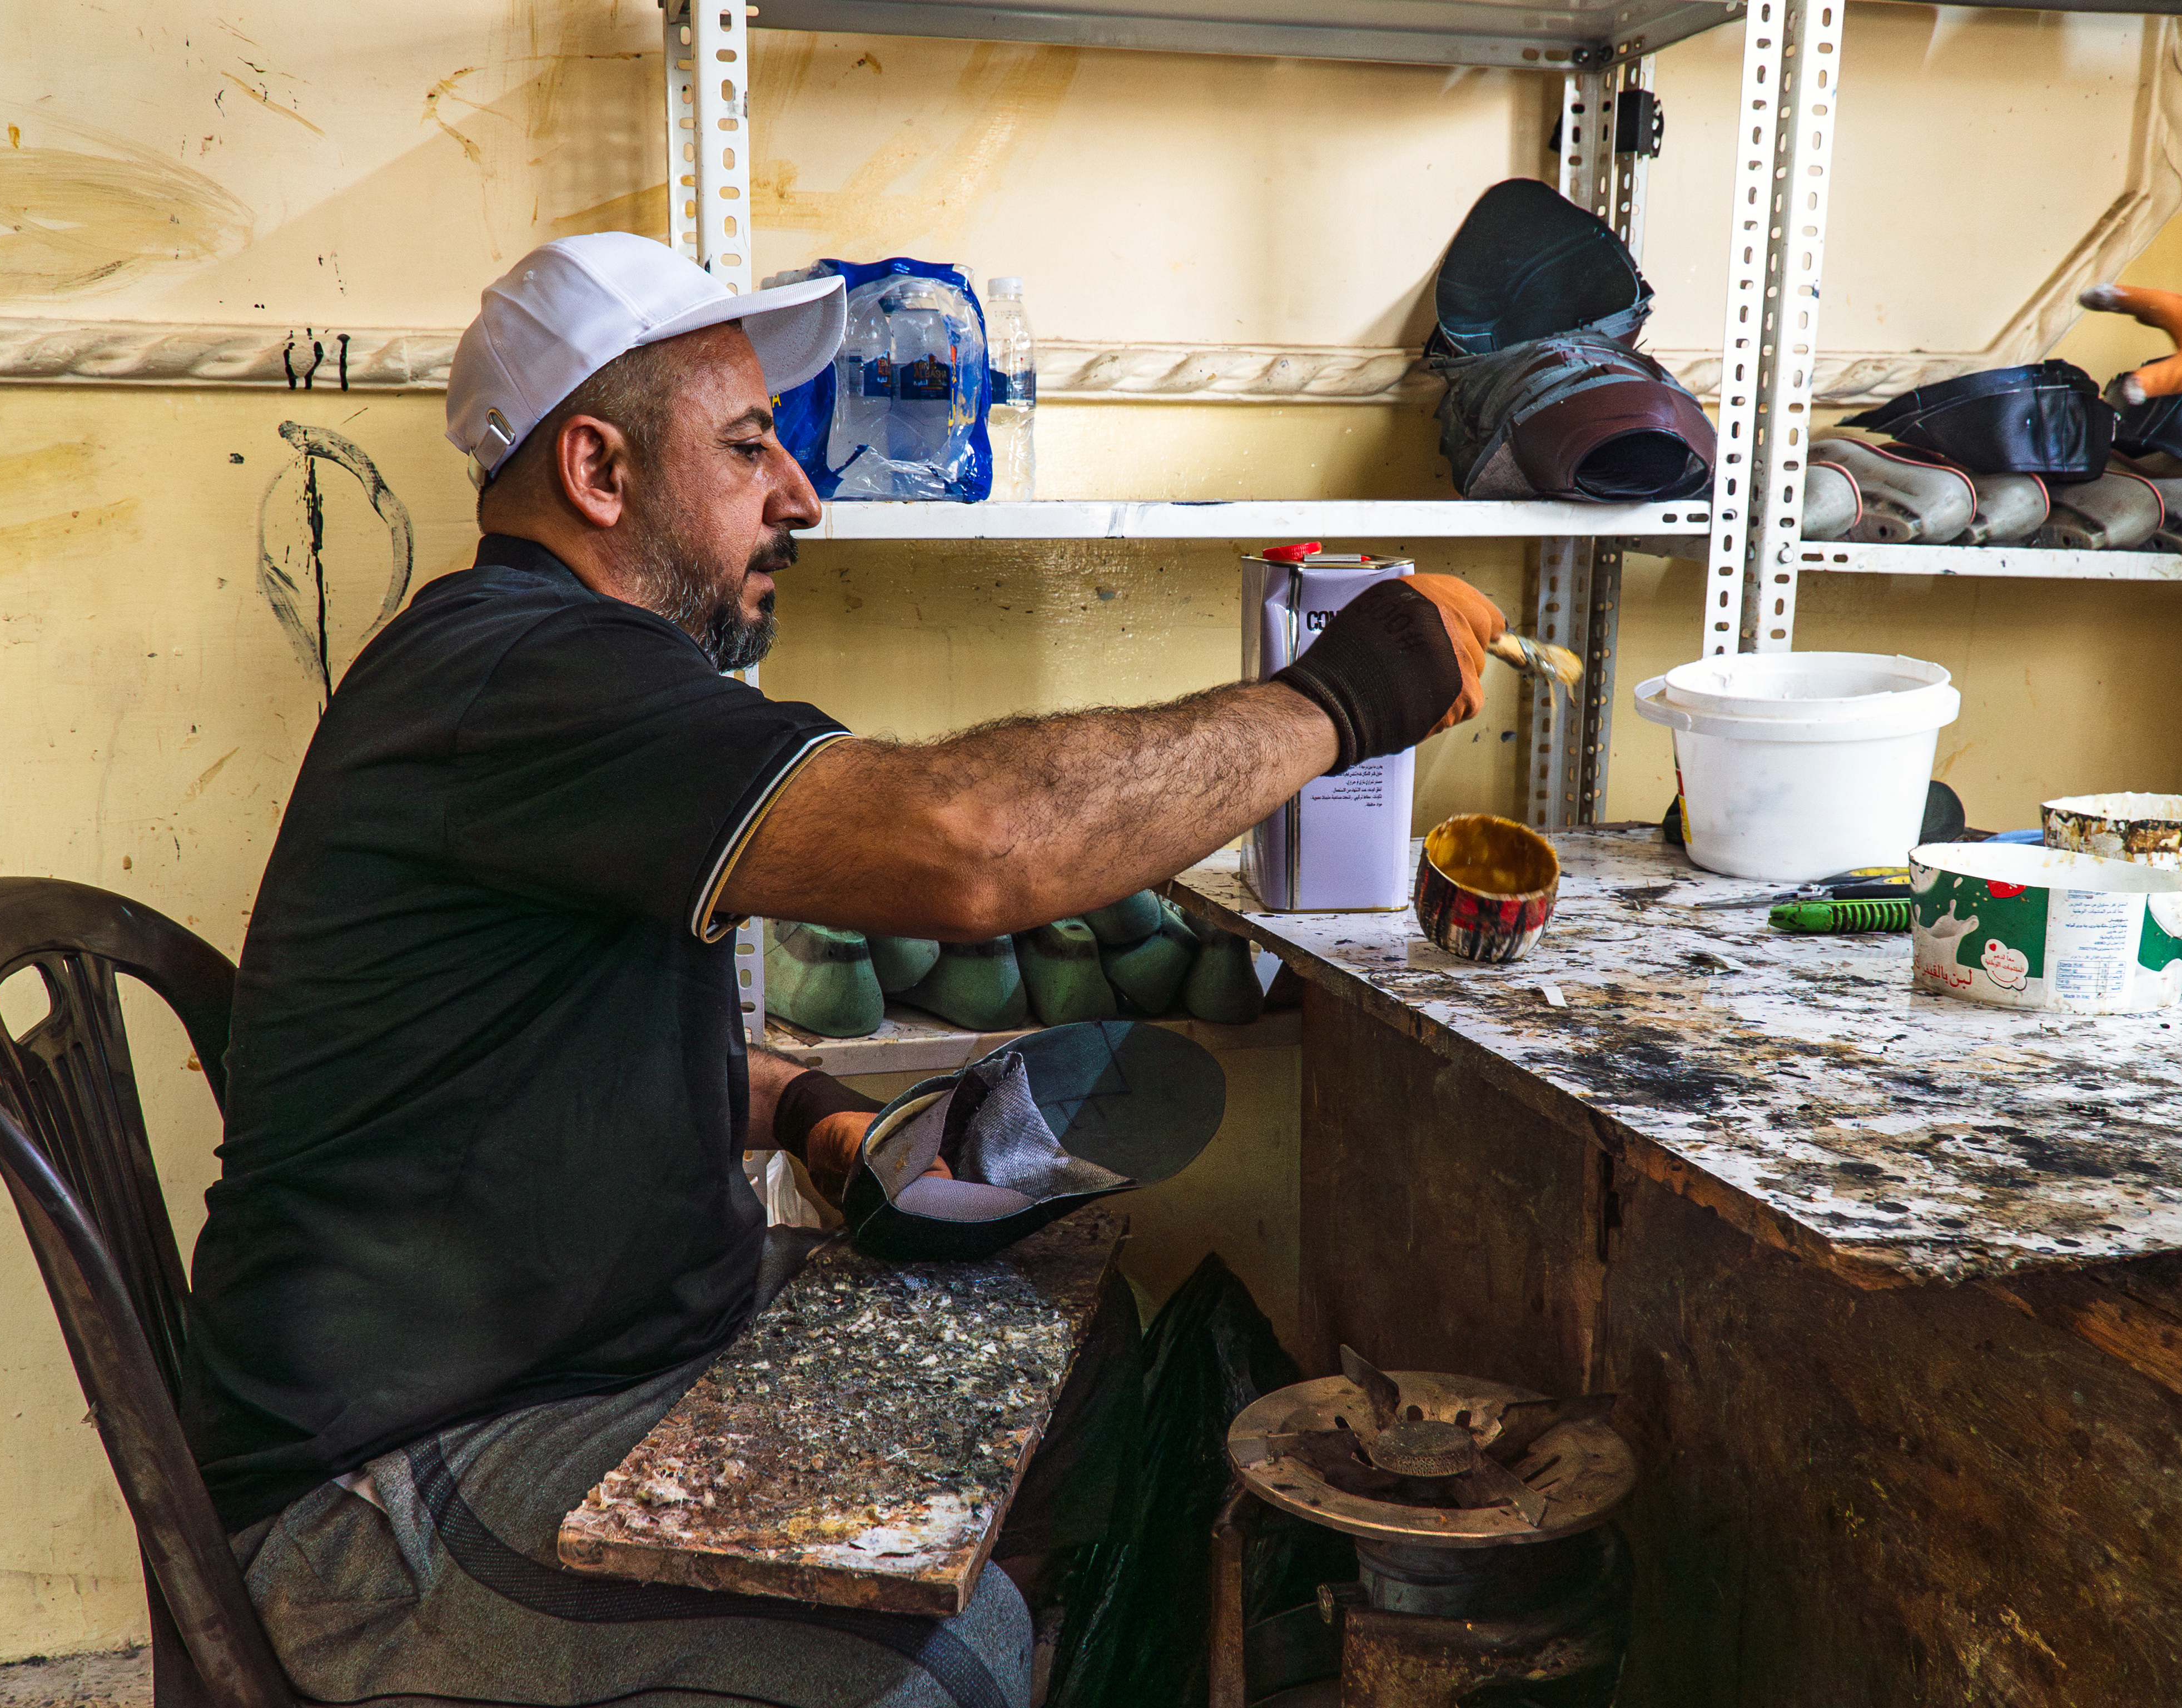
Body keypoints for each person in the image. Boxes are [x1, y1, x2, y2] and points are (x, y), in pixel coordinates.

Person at [178, 233, 1508, 1708]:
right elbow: (981, 847)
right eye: (750, 449)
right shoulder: (524, 677)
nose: (797, 494)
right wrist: (1345, 692)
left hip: (586, 1370)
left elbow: (551, 1054)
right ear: (600, 473)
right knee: (946, 1661)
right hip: (386, 1507)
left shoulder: (549, 686)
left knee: (1087, 1363)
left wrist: (823, 1112)